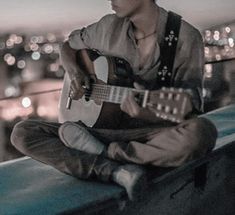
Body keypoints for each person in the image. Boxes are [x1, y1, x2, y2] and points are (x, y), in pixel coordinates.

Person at [11, 0, 217, 201]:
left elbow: (190, 108)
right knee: (22, 132)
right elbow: (68, 47)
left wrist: (147, 112)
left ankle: (107, 157)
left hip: (150, 135)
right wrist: (76, 73)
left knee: (201, 132)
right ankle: (116, 169)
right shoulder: (108, 26)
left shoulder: (185, 37)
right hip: (101, 130)